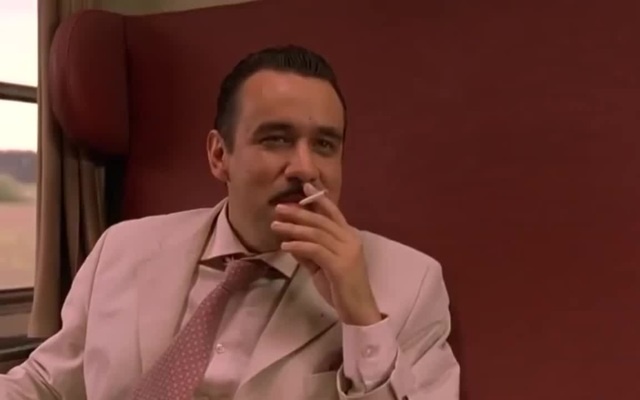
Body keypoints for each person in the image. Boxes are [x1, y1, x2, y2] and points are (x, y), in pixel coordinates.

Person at [0, 45, 460, 400]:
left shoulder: (411, 283)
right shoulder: (122, 248)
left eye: (324, 145)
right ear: (220, 155)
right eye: (276, 139)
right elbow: (46, 384)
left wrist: (361, 317)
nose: (305, 168)